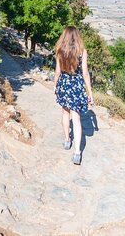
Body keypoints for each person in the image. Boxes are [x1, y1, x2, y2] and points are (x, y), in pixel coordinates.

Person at [54, 26, 93, 165]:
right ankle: (77, 152)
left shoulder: (60, 51)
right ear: (77, 36)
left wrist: (55, 85)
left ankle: (67, 141)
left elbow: (58, 72)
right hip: (76, 87)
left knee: (65, 114)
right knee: (76, 119)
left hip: (64, 85)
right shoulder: (82, 52)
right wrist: (90, 92)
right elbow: (85, 74)